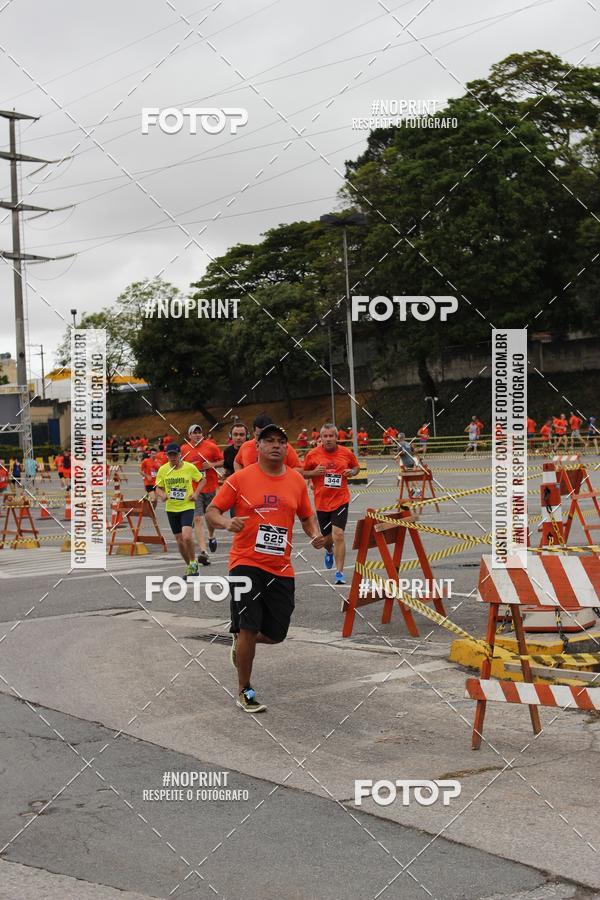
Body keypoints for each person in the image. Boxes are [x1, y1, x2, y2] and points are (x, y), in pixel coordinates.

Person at [206, 424, 326, 713]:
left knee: (276, 633)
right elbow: (212, 512)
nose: (276, 445)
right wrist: (226, 523)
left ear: (287, 448)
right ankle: (244, 689)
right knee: (249, 626)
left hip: (280, 567)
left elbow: (307, 516)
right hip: (245, 562)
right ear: (256, 447)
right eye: (269, 441)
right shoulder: (240, 479)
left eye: (281, 442)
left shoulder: (296, 481)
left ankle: (241, 643)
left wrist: (314, 535)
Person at [303, 423, 360, 584]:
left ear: (336, 437)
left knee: (338, 535)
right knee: (327, 540)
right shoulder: (312, 455)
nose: (328, 439)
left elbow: (356, 467)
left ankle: (339, 573)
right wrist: (314, 473)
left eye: (331, 436)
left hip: (341, 500)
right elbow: (302, 473)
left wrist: (352, 472)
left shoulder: (346, 453)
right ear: (320, 438)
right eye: (325, 436)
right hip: (322, 503)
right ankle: (329, 551)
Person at [155, 443, 205, 578]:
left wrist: (196, 494)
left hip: (187, 506)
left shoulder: (189, 467)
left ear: (180, 455)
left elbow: (202, 480)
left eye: (175, 454)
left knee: (187, 536)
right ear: (167, 455)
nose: (172, 457)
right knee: (179, 540)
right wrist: (162, 495)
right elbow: (157, 487)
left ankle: (194, 562)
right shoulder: (163, 470)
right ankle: (189, 566)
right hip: (171, 508)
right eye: (170, 455)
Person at [180, 424, 224, 565]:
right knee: (198, 519)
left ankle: (211, 536)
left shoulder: (211, 446)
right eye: (194, 433)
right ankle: (203, 552)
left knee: (210, 518)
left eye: (199, 432)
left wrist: (211, 465)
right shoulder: (184, 449)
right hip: (195, 490)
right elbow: (181, 467)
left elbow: (223, 461)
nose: (198, 435)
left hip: (211, 487)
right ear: (189, 436)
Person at [234, 414, 302, 472]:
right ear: (253, 432)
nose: (261, 439)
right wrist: (241, 477)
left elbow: (298, 468)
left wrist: (280, 477)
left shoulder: (283, 447)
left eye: (266, 437)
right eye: (259, 435)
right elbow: (237, 462)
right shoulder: (245, 446)